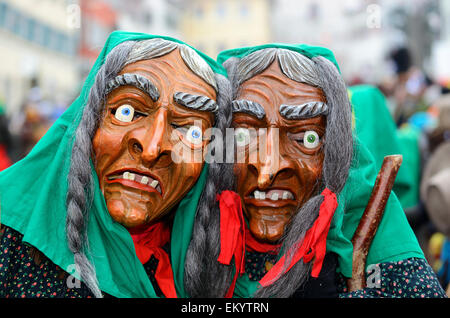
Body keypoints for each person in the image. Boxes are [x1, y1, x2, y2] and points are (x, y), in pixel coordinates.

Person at [0, 32, 233, 298]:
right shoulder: (8, 240)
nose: (152, 148)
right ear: (87, 124)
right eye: (127, 111)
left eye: (190, 131)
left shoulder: (209, 270)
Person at [205, 43, 447, 298]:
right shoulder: (191, 236)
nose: (268, 171)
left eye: (307, 138)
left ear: (336, 149)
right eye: (243, 135)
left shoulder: (367, 232)